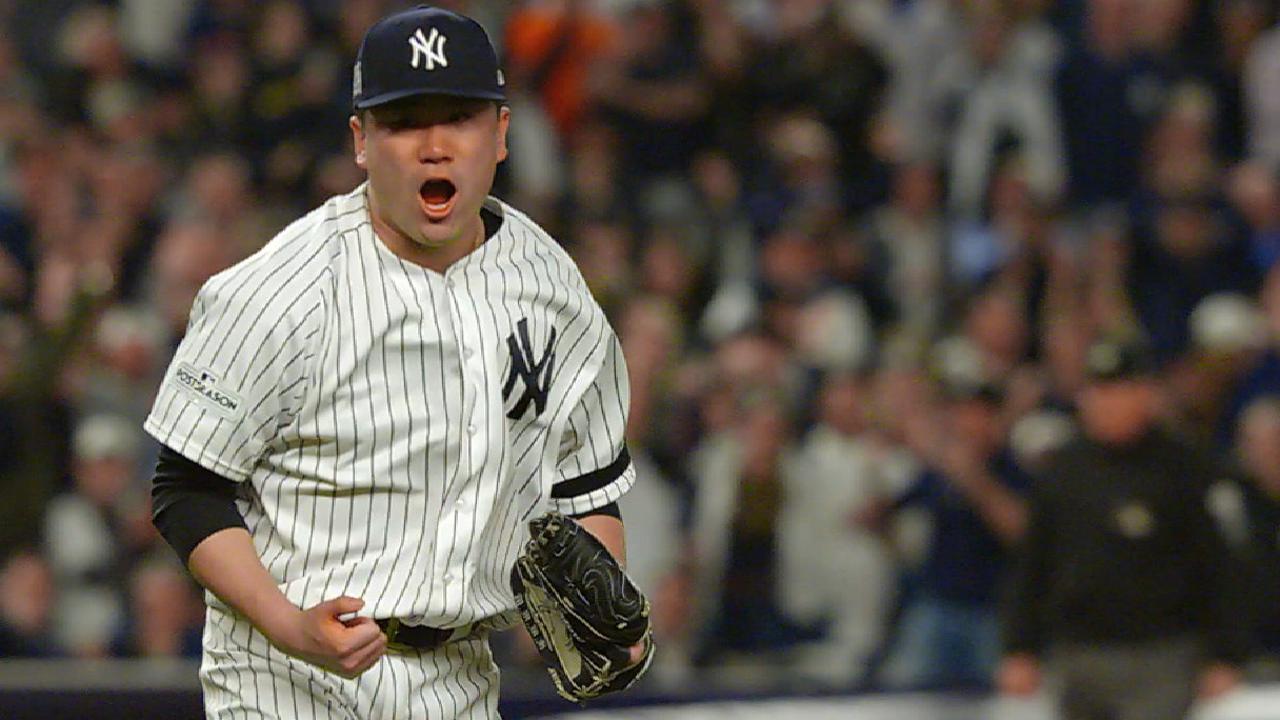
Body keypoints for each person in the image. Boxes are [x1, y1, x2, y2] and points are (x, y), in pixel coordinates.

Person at [145, 6, 643, 718]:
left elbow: (589, 485)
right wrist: (289, 624)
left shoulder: (552, 286)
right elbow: (184, 488)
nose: (434, 147)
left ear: (501, 134)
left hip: (462, 679)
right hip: (285, 682)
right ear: (360, 141)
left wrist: (606, 603)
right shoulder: (282, 290)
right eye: (405, 122)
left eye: (459, 118)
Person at [998, 335, 1250, 720]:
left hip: (1160, 653)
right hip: (1077, 652)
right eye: (1099, 390)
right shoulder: (1064, 471)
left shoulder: (1184, 469)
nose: (1108, 402)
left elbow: (1218, 566)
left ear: (1146, 393)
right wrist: (1020, 648)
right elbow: (1033, 564)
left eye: (1120, 389)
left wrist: (1225, 654)